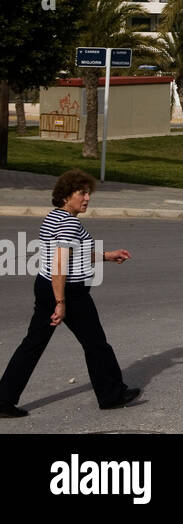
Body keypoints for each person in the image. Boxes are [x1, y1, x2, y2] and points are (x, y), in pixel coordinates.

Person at [0, 169, 139, 418]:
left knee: (32, 344)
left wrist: (107, 256)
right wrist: (61, 302)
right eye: (81, 193)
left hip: (45, 286)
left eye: (88, 194)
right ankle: (111, 395)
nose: (87, 198)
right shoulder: (71, 222)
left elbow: (72, 253)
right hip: (68, 292)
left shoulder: (53, 217)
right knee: (96, 344)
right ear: (66, 196)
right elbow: (60, 264)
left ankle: (3, 400)